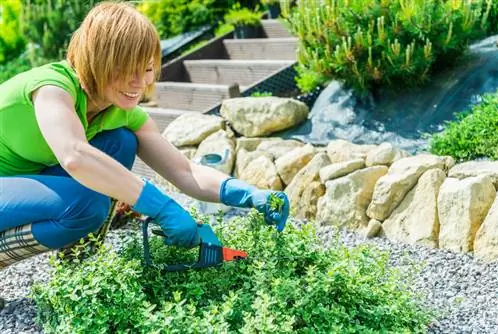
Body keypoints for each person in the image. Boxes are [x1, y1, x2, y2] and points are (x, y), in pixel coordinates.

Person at [0, 2, 289, 308]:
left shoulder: (118, 112)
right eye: (128, 70)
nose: (140, 83)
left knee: (121, 143)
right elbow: (74, 156)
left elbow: (184, 171)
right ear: (99, 60)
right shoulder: (52, 89)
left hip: (21, 185)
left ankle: (79, 273)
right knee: (86, 203)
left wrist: (246, 195)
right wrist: (160, 206)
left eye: (147, 69)